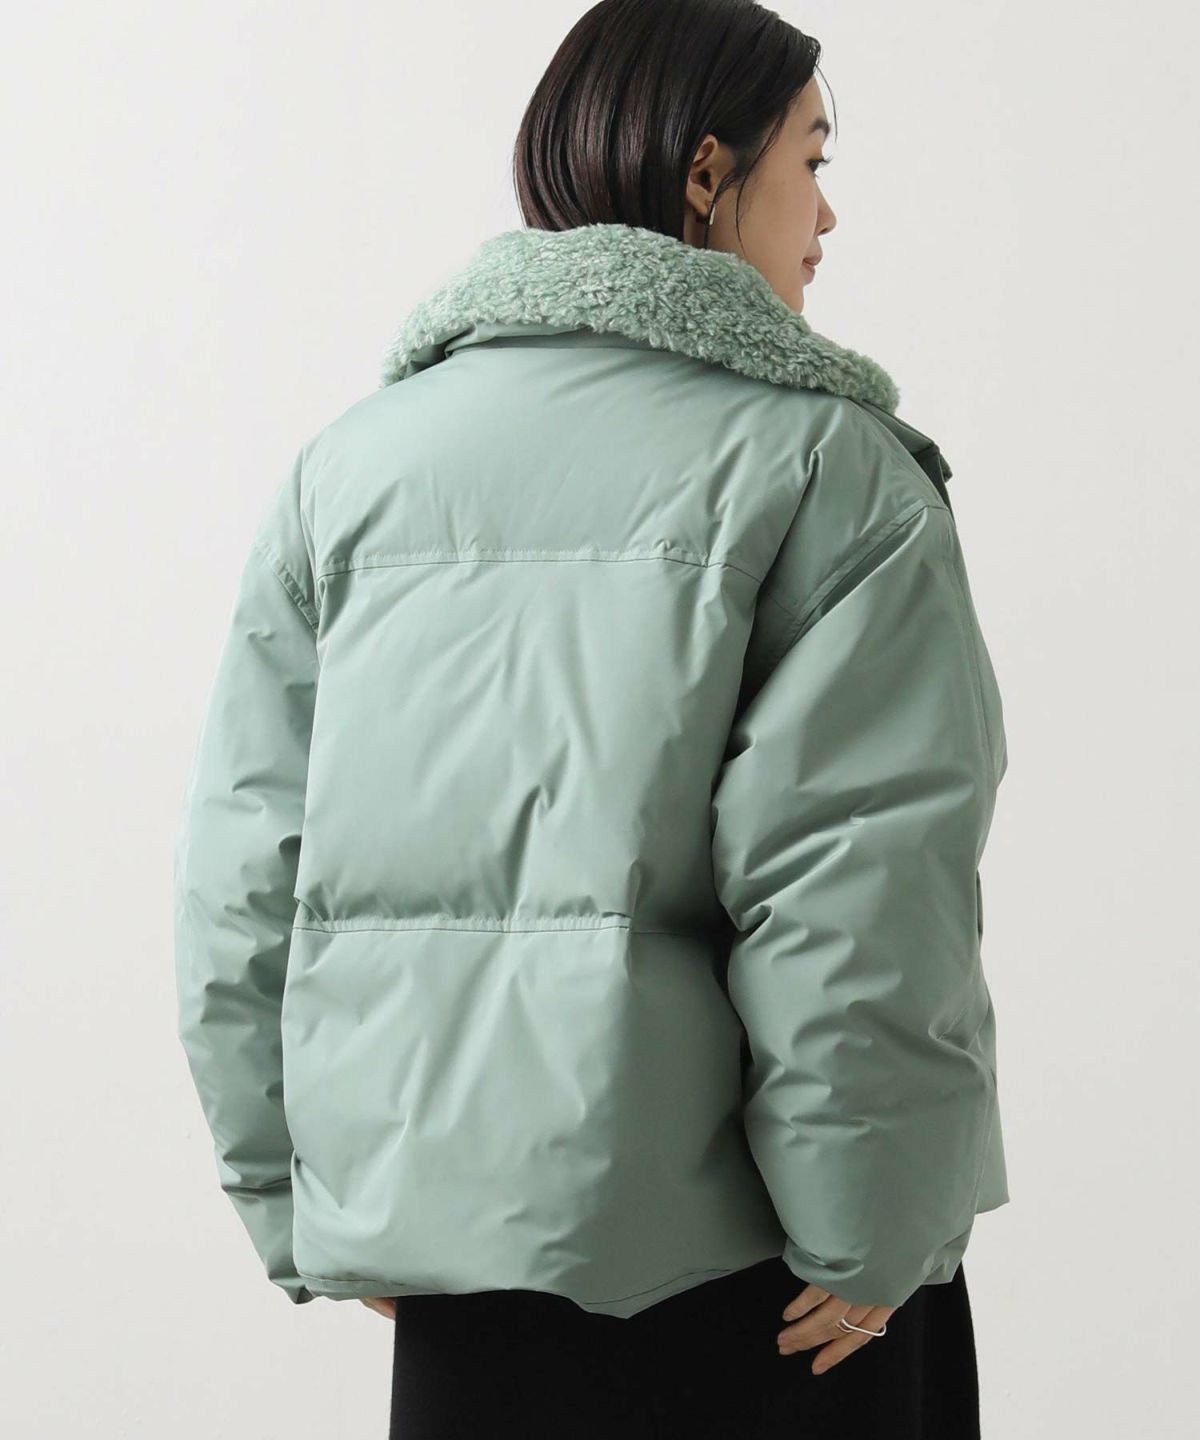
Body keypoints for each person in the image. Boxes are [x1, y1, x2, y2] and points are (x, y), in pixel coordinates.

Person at [172, 1, 1010, 1435]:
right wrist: (874, 1234)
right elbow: (857, 887)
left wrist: (303, 1198)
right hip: (770, 1288)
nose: (828, 213)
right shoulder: (829, 471)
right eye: (811, 160)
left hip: (457, 1279)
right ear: (706, 173)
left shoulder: (352, 470)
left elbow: (245, 876)